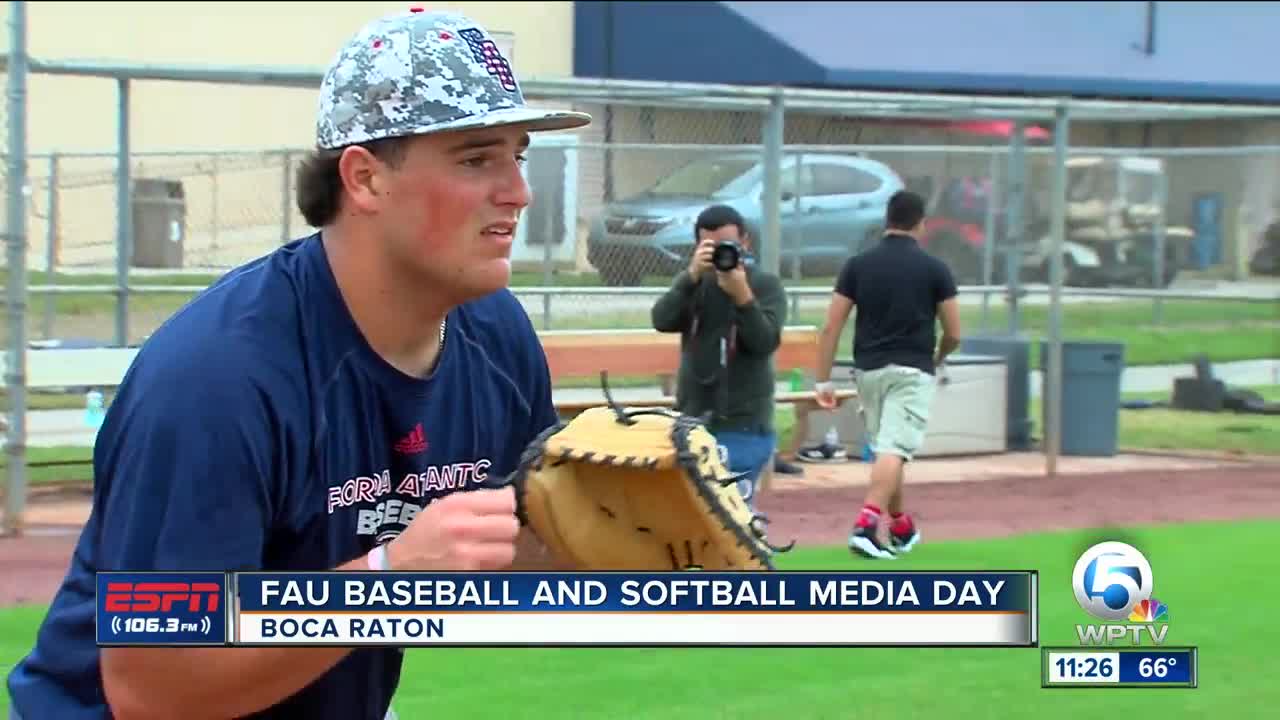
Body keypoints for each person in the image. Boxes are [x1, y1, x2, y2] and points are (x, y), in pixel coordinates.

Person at [5, 10, 590, 720]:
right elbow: (151, 688)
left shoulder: (494, 336)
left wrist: (622, 539)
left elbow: (515, 563)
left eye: (517, 156)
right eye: (475, 159)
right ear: (365, 179)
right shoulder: (217, 379)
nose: (518, 193)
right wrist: (386, 581)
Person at [813, 190, 961, 559]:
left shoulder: (857, 265)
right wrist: (938, 356)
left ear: (887, 221)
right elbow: (955, 332)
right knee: (895, 449)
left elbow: (831, 327)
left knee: (886, 450)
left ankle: (900, 526)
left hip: (868, 371)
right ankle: (865, 525)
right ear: (921, 224)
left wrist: (823, 379)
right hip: (911, 370)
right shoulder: (935, 269)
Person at [650, 205, 787, 508]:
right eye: (710, 246)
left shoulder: (764, 285)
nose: (722, 254)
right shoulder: (694, 285)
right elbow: (661, 319)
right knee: (692, 513)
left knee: (729, 515)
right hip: (694, 418)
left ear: (746, 243)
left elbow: (765, 341)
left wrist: (743, 297)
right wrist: (690, 277)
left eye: (729, 245)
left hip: (744, 422)